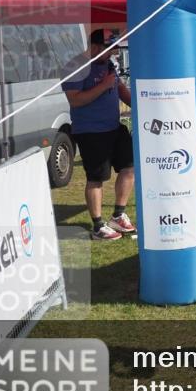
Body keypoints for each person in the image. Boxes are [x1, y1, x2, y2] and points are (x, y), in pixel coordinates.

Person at [61, 29, 136, 241]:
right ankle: (98, 226)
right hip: (91, 131)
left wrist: (141, 106)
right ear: (94, 47)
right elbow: (75, 100)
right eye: (109, 49)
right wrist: (104, 85)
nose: (112, 54)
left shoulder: (107, 64)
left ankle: (118, 216)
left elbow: (120, 89)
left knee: (129, 167)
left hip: (114, 126)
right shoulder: (75, 67)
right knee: (96, 178)